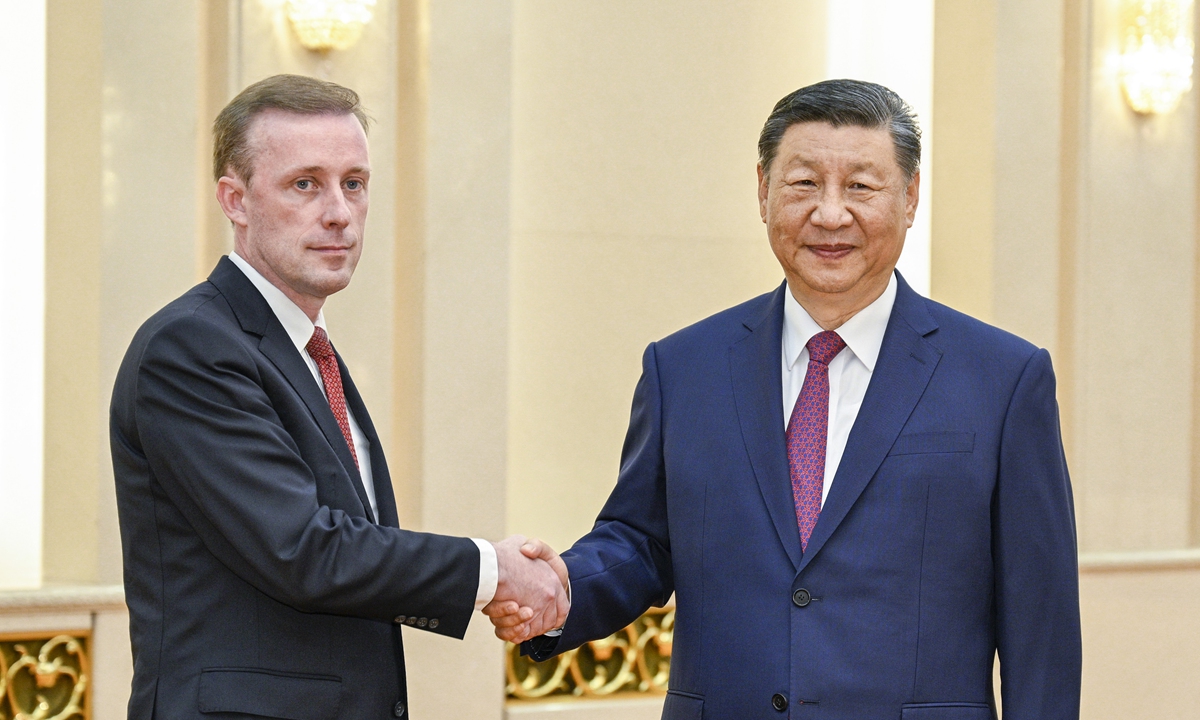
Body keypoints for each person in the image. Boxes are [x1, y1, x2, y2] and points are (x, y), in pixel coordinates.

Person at [488, 79, 1082, 718]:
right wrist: (562, 589)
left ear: (910, 197)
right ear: (763, 192)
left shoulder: (1003, 378)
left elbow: (1039, 621)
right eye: (803, 184)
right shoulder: (684, 367)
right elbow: (641, 540)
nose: (830, 214)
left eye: (861, 186)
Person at [110, 74, 566, 720]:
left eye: (354, 183)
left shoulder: (308, 351)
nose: (339, 212)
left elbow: (356, 556)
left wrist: (497, 583)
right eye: (306, 184)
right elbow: (304, 550)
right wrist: (490, 571)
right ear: (234, 200)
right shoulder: (188, 349)